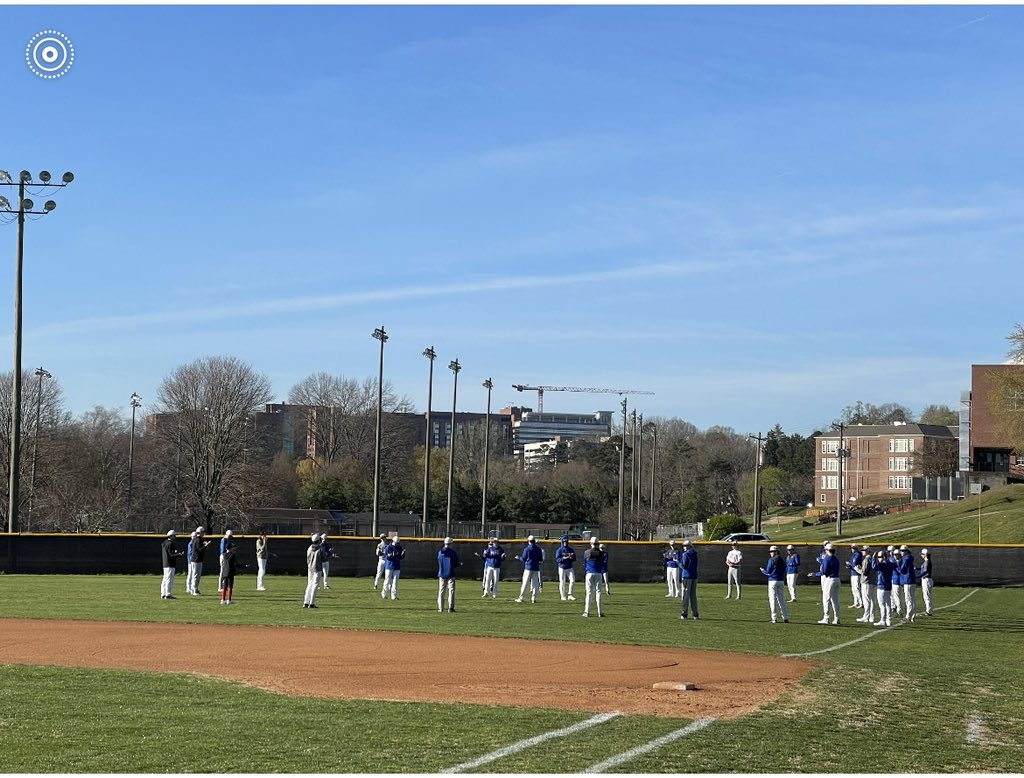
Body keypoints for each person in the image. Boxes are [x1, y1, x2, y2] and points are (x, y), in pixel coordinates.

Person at [811, 542, 841, 625]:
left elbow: (824, 571)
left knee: (826, 599)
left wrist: (814, 574)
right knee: (835, 600)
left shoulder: (827, 559)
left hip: (830, 579)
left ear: (827, 550)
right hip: (837, 579)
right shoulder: (836, 558)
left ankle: (826, 618)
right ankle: (837, 618)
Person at [759, 546, 789, 623]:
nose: (770, 553)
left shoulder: (771, 560)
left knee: (772, 599)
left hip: (772, 581)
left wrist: (763, 570)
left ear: (776, 552)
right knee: (781, 600)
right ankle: (785, 617)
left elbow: (768, 571)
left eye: (772, 551)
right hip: (781, 581)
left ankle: (774, 618)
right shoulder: (782, 560)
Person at [582, 537, 607, 618]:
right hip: (598, 573)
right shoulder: (601, 553)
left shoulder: (586, 552)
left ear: (590, 543)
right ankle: (600, 612)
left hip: (589, 573)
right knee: (598, 592)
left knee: (589, 593)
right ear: (598, 544)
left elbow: (585, 563)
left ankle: (587, 612)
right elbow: (603, 563)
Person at [515, 535, 543, 603]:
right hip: (536, 568)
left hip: (528, 568)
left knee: (525, 583)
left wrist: (518, 557)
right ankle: (533, 598)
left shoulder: (527, 549)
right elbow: (540, 559)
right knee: (535, 584)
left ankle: (521, 598)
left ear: (529, 541)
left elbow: (524, 559)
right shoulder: (539, 549)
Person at [871, 549, 895, 627]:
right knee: (888, 604)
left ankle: (883, 620)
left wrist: (873, 558)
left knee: (882, 604)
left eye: (880, 557)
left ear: (884, 557)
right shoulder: (890, 564)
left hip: (882, 586)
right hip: (888, 586)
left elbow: (874, 567)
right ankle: (889, 620)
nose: (878, 559)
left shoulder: (883, 564)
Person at [437, 537, 461, 613]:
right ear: (451, 543)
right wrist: (460, 564)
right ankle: (450, 608)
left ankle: (441, 608)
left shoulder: (440, 552)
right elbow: (455, 564)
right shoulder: (453, 553)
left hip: (442, 574)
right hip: (451, 573)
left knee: (441, 591)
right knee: (451, 591)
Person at [678, 539, 699, 620]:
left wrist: (677, 562)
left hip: (687, 576)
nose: (684, 547)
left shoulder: (686, 554)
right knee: (693, 596)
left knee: (685, 596)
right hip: (694, 576)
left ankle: (684, 614)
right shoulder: (695, 554)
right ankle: (695, 614)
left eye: (685, 546)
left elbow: (684, 566)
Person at [896, 545, 918, 622]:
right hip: (910, 580)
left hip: (908, 580)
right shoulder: (908, 558)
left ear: (906, 551)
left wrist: (898, 564)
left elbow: (902, 570)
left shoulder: (906, 558)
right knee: (912, 599)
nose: (901, 552)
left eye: (903, 551)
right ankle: (912, 615)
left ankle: (908, 616)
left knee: (909, 599)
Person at [160, 530, 183, 599]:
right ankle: (168, 594)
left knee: (165, 579)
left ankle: (163, 593)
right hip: (170, 564)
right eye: (174, 535)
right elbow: (171, 555)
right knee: (169, 579)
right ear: (171, 536)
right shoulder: (170, 544)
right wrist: (178, 554)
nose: (175, 537)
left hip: (165, 563)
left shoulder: (164, 543)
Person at [187, 526, 210, 596]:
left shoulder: (195, 539)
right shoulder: (198, 539)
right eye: (203, 532)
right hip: (197, 559)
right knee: (196, 575)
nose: (204, 533)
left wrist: (205, 545)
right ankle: (195, 590)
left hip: (195, 559)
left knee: (195, 575)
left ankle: (193, 589)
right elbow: (199, 549)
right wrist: (206, 545)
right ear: (200, 532)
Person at [856, 545, 876, 624]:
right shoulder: (871, 559)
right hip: (871, 581)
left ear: (868, 551)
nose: (862, 552)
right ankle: (871, 616)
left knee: (867, 600)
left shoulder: (867, 559)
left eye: (864, 550)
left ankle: (867, 616)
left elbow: (864, 572)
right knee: (871, 600)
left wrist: (857, 569)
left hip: (866, 581)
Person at [302, 533, 323, 608]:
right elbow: (324, 558)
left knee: (309, 585)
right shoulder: (320, 548)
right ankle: (312, 603)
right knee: (315, 585)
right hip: (317, 568)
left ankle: (306, 602)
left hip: (310, 568)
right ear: (319, 540)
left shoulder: (309, 548)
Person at [381, 535, 405, 600]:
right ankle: (383, 594)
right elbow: (386, 557)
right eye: (396, 542)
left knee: (395, 582)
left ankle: (394, 596)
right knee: (387, 580)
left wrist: (403, 555)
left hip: (397, 566)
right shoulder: (388, 547)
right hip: (389, 566)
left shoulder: (399, 547)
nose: (397, 544)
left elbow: (401, 557)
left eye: (398, 543)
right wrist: (390, 556)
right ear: (393, 541)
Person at [555, 535, 577, 601]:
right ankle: (562, 596)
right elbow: (558, 559)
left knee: (572, 580)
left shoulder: (570, 549)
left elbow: (574, 559)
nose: (565, 543)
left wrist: (571, 557)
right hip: (562, 567)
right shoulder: (559, 550)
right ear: (562, 542)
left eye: (566, 541)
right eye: (564, 541)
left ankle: (570, 594)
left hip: (569, 567)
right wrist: (564, 558)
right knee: (562, 582)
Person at [846, 543, 864, 609]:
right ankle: (856, 602)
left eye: (853, 548)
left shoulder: (858, 554)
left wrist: (849, 564)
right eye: (852, 548)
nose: (852, 549)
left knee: (857, 588)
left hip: (857, 573)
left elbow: (855, 563)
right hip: (853, 572)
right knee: (853, 589)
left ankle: (861, 603)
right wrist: (849, 566)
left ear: (856, 548)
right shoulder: (854, 554)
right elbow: (853, 564)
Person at [918, 548, 934, 616]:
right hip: (926, 580)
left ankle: (928, 611)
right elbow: (923, 569)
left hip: (926, 580)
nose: (921, 555)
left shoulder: (927, 562)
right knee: (927, 596)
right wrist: (917, 569)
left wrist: (918, 576)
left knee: (927, 596)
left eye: (922, 554)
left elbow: (926, 572)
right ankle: (928, 610)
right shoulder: (926, 562)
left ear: (925, 555)